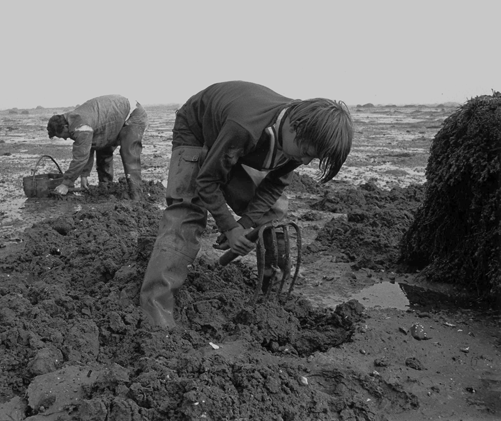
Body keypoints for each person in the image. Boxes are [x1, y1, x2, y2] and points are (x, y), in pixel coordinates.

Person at [140, 80, 354, 328]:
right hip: (197, 129)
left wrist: (244, 223)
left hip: (235, 143)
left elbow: (274, 185)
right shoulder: (246, 127)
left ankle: (269, 296)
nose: (305, 162)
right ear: (295, 127)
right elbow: (208, 180)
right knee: (186, 212)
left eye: (312, 157)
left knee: (271, 212)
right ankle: (155, 312)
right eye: (305, 151)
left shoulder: (301, 138)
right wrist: (229, 227)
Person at [46, 95, 148, 199]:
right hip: (111, 120)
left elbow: (80, 157)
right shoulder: (72, 120)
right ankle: (106, 187)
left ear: (65, 127)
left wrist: (65, 184)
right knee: (102, 147)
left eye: (62, 135)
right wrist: (84, 175)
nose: (65, 139)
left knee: (129, 153)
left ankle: (136, 194)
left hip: (133, 113)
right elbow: (88, 147)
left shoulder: (81, 127)